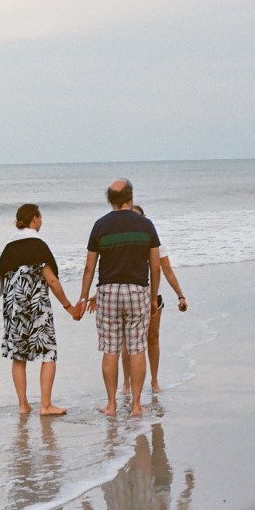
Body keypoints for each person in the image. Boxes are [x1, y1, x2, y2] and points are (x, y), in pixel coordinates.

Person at [77, 179, 160, 417]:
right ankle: (136, 405)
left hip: (108, 291)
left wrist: (83, 298)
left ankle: (112, 404)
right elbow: (155, 267)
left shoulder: (100, 225)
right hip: (137, 290)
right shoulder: (146, 225)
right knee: (137, 348)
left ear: (110, 200)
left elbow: (89, 267)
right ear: (130, 198)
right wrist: (153, 297)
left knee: (110, 349)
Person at [0, 204, 81, 416]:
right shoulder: (38, 245)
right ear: (34, 219)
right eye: (40, 217)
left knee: (18, 356)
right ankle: (45, 405)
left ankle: (23, 405)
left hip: (14, 307)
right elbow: (51, 280)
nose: (42, 221)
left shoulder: (9, 247)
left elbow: (1, 281)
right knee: (48, 352)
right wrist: (69, 307)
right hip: (36, 306)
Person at [121, 205, 189, 394]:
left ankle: (154, 381)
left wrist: (180, 295)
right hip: (131, 295)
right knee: (127, 341)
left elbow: (167, 271)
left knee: (153, 338)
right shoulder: (124, 243)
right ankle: (126, 383)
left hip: (153, 297)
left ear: (145, 219)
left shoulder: (156, 243)